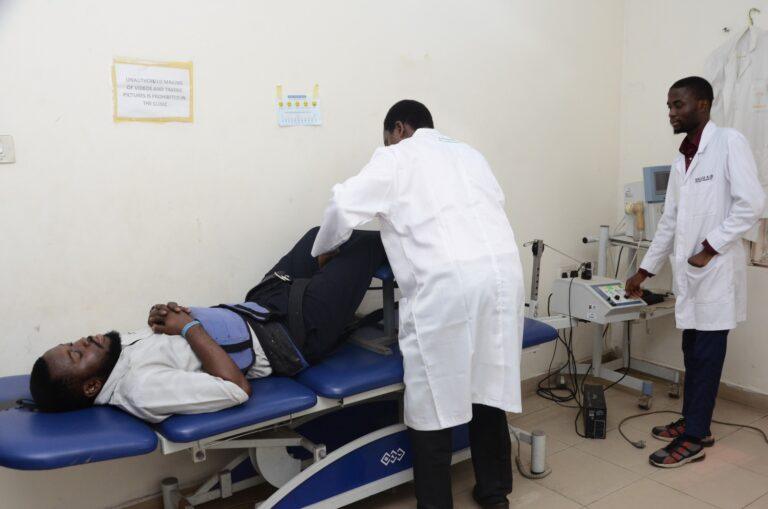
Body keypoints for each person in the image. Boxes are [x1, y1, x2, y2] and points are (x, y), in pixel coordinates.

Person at [312, 100, 524, 508]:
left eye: (388, 138)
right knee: (488, 383)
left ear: (398, 128)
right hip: (500, 278)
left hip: (446, 287)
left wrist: (325, 250)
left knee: (433, 399)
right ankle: (494, 494)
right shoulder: (470, 154)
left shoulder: (397, 157)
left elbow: (342, 206)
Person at [29, 228, 387, 422]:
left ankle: (333, 288)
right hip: (289, 337)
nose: (84, 340)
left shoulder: (117, 355)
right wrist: (187, 328)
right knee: (368, 244)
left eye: (72, 342)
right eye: (77, 354)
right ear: (92, 386)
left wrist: (162, 317)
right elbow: (235, 389)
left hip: (260, 306)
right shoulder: (141, 389)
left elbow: (177, 342)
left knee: (322, 236)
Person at [625, 76, 766, 468]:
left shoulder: (728, 143)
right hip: (693, 277)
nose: (671, 113)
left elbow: (752, 203)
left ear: (702, 105)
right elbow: (669, 222)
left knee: (705, 355)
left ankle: (694, 440)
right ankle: (695, 423)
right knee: (692, 351)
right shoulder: (681, 158)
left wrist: (709, 248)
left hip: (715, 272)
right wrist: (643, 272)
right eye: (669, 106)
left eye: (678, 105)